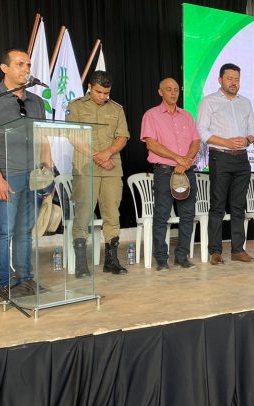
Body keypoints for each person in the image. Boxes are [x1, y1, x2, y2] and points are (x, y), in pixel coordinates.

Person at [0, 49, 45, 291]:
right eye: (20, 64)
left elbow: (43, 138)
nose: (26, 69)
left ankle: (25, 279)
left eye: (28, 64)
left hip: (32, 176)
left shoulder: (36, 101)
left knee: (25, 230)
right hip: (7, 175)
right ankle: (4, 284)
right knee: (4, 231)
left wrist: (46, 171)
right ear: (5, 68)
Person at [66, 71, 130, 276]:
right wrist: (97, 156)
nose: (103, 96)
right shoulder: (76, 106)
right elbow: (73, 136)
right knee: (84, 213)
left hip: (111, 168)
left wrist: (107, 154)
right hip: (85, 168)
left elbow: (122, 137)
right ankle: (81, 263)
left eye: (106, 93)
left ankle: (111, 261)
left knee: (112, 213)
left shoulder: (116, 109)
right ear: (90, 87)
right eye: (99, 92)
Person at [196, 63, 254, 265]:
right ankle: (215, 251)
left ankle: (238, 250)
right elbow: (202, 131)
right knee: (218, 206)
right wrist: (226, 142)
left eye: (237, 79)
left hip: (242, 159)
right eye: (230, 78)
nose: (234, 82)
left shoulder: (245, 103)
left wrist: (247, 139)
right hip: (220, 157)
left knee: (239, 206)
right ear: (220, 80)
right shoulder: (209, 102)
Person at [141, 78, 200, 271]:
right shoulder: (151, 115)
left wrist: (186, 161)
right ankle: (161, 258)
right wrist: (178, 159)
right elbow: (152, 144)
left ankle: (182, 256)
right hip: (165, 172)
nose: (173, 93)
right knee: (162, 215)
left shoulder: (187, 116)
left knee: (187, 215)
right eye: (168, 89)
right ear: (160, 92)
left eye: (176, 89)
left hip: (187, 172)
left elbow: (196, 142)